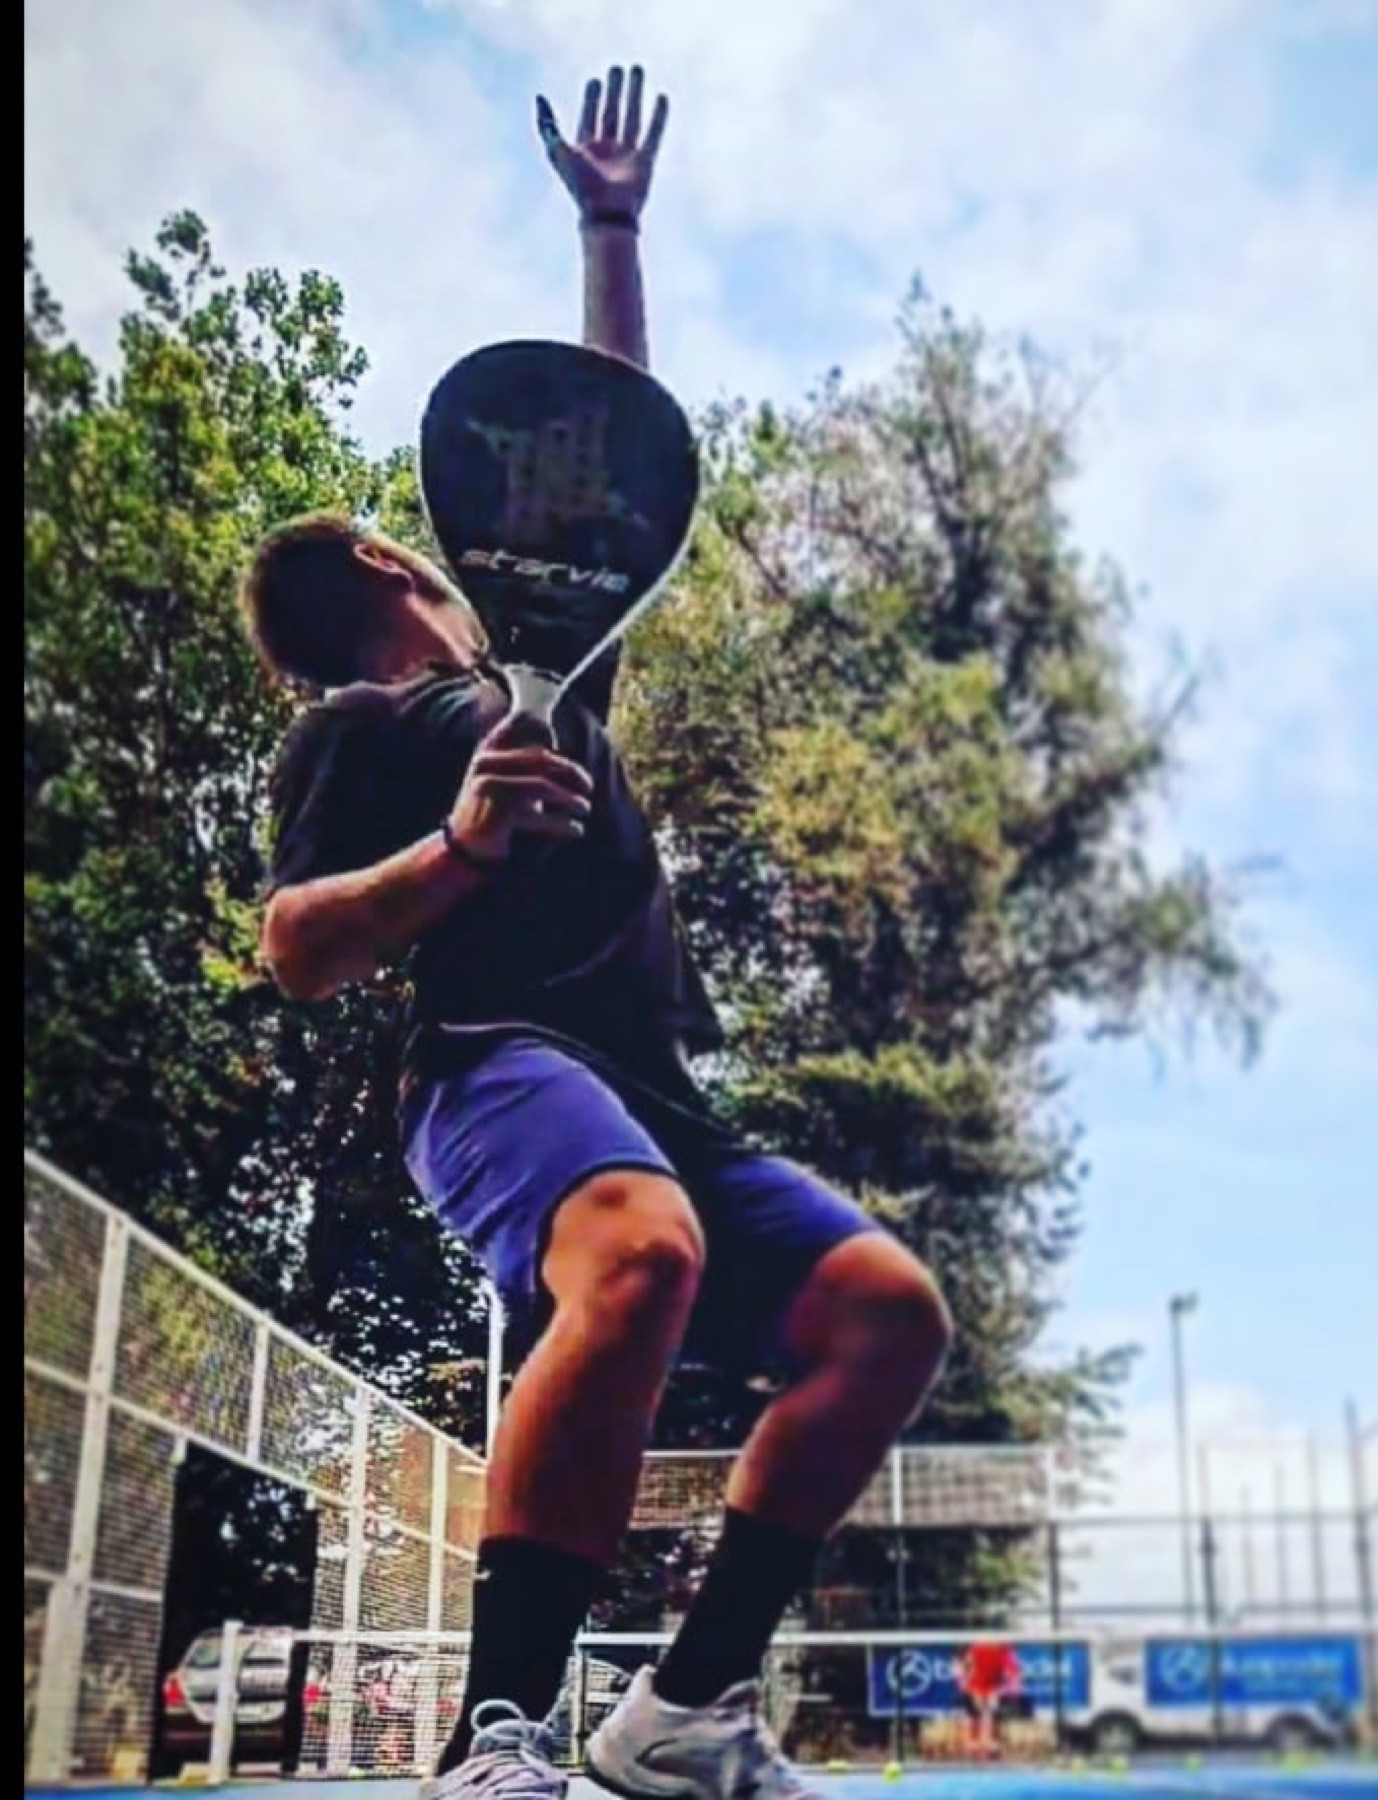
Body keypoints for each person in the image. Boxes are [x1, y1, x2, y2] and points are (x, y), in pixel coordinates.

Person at [245, 66, 952, 1800]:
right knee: (639, 1254)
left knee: (885, 1315)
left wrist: (612, 231)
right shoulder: (356, 730)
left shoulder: (546, 681)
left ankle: (681, 1715)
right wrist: (458, 851)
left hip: (650, 1095)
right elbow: (298, 948)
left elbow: (610, 461)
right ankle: (499, 1732)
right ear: (392, 563)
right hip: (490, 1068)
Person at [955, 1640, 1023, 1762]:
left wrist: (1014, 1686)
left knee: (991, 1714)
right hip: (975, 1686)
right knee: (975, 1714)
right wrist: (962, 1681)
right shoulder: (975, 1648)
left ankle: (991, 1745)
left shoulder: (1004, 1650)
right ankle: (974, 1746)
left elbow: (1014, 1670)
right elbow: (961, 1663)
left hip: (993, 1687)